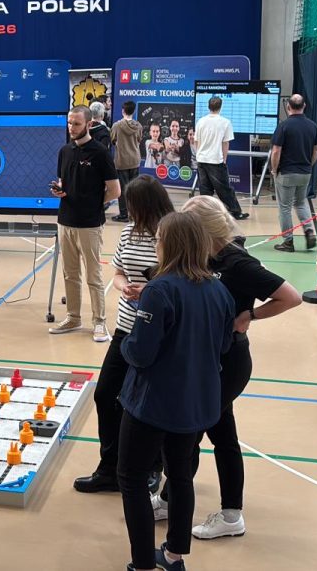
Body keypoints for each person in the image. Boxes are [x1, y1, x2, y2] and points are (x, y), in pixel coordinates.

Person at [151, 196, 302, 538]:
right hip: (206, 360)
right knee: (220, 434)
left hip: (229, 362)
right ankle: (193, 504)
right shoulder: (204, 256)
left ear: (204, 228)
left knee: (191, 433)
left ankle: (213, 511)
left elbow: (291, 297)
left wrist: (250, 316)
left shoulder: (238, 263)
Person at [116, 211, 234, 571]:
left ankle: (142, 563)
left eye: (158, 239)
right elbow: (223, 345)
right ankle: (173, 556)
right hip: (193, 404)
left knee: (132, 478)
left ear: (169, 244)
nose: (156, 244)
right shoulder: (219, 290)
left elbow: (140, 353)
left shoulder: (159, 290)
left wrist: (127, 342)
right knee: (180, 475)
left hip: (153, 403)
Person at [73, 175, 174, 494]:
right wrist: (124, 287)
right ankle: (110, 468)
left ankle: (152, 467)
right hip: (127, 327)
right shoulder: (130, 231)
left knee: (148, 403)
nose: (128, 210)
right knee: (105, 394)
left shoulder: (171, 234)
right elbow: (118, 273)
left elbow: (181, 280)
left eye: (133, 205)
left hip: (158, 333)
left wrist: (150, 291)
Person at [50, 106, 120, 342]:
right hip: (65, 221)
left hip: (90, 224)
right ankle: (73, 317)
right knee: (70, 274)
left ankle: (99, 322)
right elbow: (63, 182)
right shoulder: (64, 151)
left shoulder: (100, 153)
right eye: (69, 123)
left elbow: (115, 191)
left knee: (93, 275)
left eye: (77, 124)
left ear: (89, 125)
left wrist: (93, 203)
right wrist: (59, 191)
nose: (71, 127)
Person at [270, 95, 317, 252]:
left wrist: (274, 169)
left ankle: (288, 241)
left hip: (286, 173)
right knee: (301, 203)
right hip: (305, 173)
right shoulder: (313, 126)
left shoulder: (283, 126)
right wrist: (309, 165)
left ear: (288, 107)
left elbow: (276, 151)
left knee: (285, 208)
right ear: (304, 106)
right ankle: (309, 231)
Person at [192, 96, 248, 220]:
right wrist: (224, 159)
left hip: (201, 159)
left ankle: (205, 213)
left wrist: (199, 154)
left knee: (205, 189)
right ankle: (235, 211)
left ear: (208, 107)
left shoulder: (200, 121)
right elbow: (225, 143)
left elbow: (196, 141)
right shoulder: (225, 122)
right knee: (224, 188)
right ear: (220, 107)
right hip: (215, 160)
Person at [111, 100, 143, 223]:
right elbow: (139, 140)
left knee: (123, 189)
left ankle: (123, 214)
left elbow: (113, 140)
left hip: (122, 161)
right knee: (134, 189)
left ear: (123, 111)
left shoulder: (116, 126)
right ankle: (134, 214)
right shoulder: (138, 126)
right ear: (133, 111)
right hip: (135, 160)